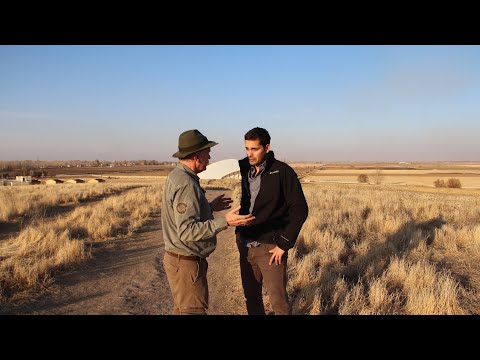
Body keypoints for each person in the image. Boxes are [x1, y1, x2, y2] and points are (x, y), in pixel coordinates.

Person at [162, 129, 255, 315]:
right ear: (197, 156)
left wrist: (209, 207)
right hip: (186, 263)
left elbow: (181, 215)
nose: (210, 156)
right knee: (192, 311)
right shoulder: (186, 184)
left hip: (180, 261)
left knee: (182, 310)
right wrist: (225, 221)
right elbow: (187, 231)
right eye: (207, 152)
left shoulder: (178, 176)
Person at [236, 127, 308, 315]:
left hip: (271, 248)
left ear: (267, 148)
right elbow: (248, 202)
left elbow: (300, 209)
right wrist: (239, 232)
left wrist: (284, 244)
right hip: (246, 244)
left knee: (278, 302)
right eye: (246, 148)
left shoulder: (282, 172)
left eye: (254, 149)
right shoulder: (246, 169)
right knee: (251, 298)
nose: (249, 154)